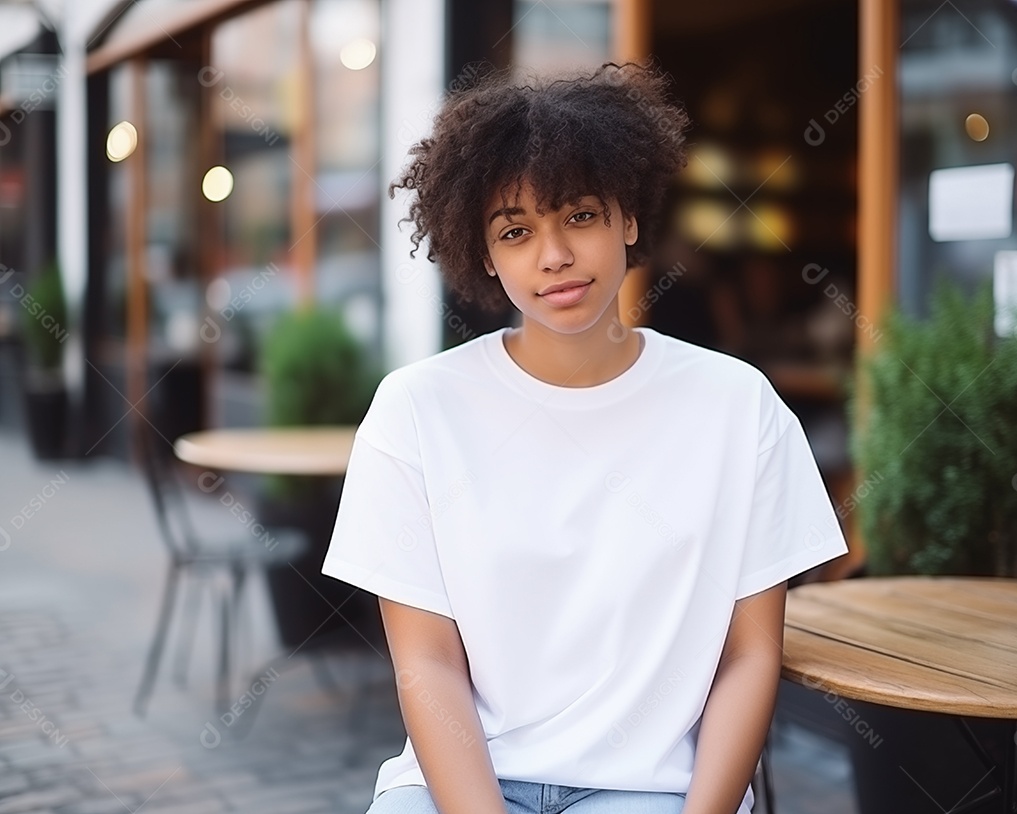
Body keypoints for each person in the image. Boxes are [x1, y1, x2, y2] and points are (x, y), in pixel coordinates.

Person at [322, 61, 848, 814]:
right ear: (484, 252)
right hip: (461, 781)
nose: (553, 256)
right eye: (516, 231)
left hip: (648, 789)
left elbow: (750, 654)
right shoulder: (417, 410)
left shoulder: (740, 409)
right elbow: (427, 663)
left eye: (579, 216)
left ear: (628, 218)